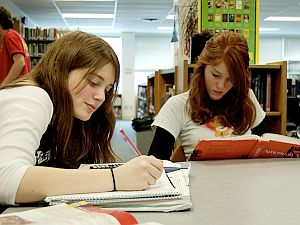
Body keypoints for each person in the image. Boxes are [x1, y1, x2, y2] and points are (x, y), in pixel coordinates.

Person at [0, 31, 163, 206]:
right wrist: (115, 178)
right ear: (57, 68)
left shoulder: (70, 113)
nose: (101, 96)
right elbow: (6, 179)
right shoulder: (32, 96)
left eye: (107, 89)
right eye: (93, 82)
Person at [148, 31, 266, 160]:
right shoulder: (178, 105)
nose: (221, 86)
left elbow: (265, 146)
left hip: (245, 178)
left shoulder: (246, 97)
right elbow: (156, 162)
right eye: (215, 75)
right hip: (199, 179)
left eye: (230, 79)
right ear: (202, 68)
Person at [0, 6, 31, 87]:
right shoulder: (14, 35)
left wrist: (4, 84)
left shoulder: (10, 36)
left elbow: (20, 62)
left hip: (15, 87)